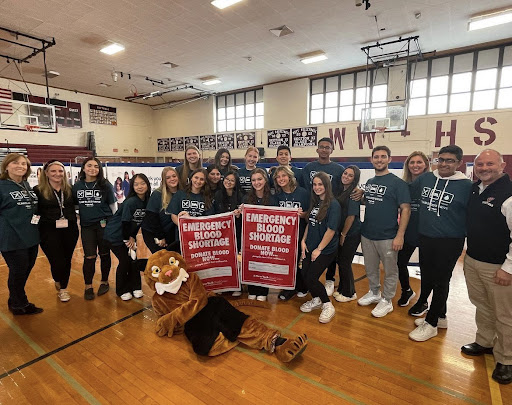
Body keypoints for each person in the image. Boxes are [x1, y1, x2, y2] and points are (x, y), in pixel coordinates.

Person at [408, 145, 471, 342]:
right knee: (427, 277)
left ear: (458, 163)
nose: (444, 164)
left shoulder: (467, 186)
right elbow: (405, 192)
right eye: (441, 159)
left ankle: (432, 323)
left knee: (441, 281)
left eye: (449, 160)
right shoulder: (426, 179)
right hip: (426, 237)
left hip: (450, 241)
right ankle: (441, 316)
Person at [461, 149, 512, 384]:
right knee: (482, 305)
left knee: (505, 315)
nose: (484, 168)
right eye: (479, 164)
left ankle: (507, 359)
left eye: (490, 164)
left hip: (499, 266)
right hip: (473, 259)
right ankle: (485, 341)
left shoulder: (508, 194)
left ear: (502, 166)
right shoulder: (475, 188)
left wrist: (508, 267)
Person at [358, 146, 411, 318]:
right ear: (371, 159)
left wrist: (400, 235)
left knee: (390, 270)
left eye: (383, 157)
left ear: (389, 159)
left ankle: (387, 300)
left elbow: (406, 209)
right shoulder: (371, 182)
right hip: (367, 234)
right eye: (376, 157)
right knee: (370, 267)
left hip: (388, 236)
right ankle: (374, 293)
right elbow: (371, 202)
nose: (379, 160)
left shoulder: (398, 183)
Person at [0, 153, 42, 315]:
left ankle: (14, 299)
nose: (20, 166)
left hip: (30, 235)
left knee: (25, 270)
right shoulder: (2, 185)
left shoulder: (26, 185)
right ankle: (19, 303)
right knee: (18, 271)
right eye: (16, 163)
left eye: (24, 164)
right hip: (11, 237)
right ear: (7, 166)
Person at [34, 160, 79, 302]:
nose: (57, 174)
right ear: (46, 173)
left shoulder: (70, 189)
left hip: (70, 229)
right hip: (48, 231)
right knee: (57, 261)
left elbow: (78, 207)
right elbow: (34, 212)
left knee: (67, 260)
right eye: (53, 171)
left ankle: (64, 289)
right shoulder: (38, 190)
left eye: (60, 171)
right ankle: (57, 278)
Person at [73, 157, 116, 300]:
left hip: (104, 224)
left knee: (104, 254)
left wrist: (115, 224)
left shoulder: (105, 185)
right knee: (89, 256)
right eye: (89, 166)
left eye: (96, 166)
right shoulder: (77, 186)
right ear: (83, 168)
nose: (93, 169)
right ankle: (88, 286)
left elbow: (113, 207)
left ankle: (104, 281)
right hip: (87, 226)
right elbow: (75, 206)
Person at [299, 172, 340, 323]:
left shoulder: (333, 205)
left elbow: (331, 230)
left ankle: (328, 305)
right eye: (315, 184)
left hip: (325, 249)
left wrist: (319, 249)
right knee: (304, 274)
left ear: (326, 185)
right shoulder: (316, 202)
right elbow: (310, 223)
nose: (317, 187)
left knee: (311, 277)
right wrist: (303, 241)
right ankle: (316, 299)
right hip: (310, 246)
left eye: (320, 184)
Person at [104, 174, 150, 301]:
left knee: (134, 261)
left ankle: (136, 287)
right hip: (115, 236)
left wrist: (132, 237)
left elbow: (137, 222)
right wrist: (127, 239)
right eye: (136, 184)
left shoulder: (147, 201)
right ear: (132, 187)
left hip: (129, 236)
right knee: (125, 261)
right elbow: (125, 222)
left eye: (142, 183)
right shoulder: (130, 202)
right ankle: (122, 289)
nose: (140, 186)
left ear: (147, 184)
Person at [397, 151, 430, 309]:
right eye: (412, 162)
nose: (415, 165)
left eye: (419, 162)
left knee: (426, 269)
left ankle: (423, 300)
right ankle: (406, 290)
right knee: (400, 262)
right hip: (408, 231)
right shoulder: (403, 186)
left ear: (426, 165)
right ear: (407, 165)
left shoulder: (431, 184)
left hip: (427, 233)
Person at [273, 166, 309, 301]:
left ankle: (301, 286)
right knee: (288, 262)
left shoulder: (303, 193)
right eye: (278, 177)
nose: (281, 179)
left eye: (284, 175)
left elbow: (310, 214)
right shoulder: (277, 196)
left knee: (298, 261)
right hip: (284, 235)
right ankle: (292, 287)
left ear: (290, 177)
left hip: (300, 233)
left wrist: (303, 214)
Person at [243, 168, 278, 301]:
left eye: (259, 179)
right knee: (252, 264)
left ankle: (263, 290)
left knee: (264, 265)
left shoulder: (273, 199)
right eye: (253, 180)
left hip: (266, 240)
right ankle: (252, 289)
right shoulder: (246, 198)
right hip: (251, 239)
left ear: (265, 180)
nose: (256, 182)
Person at [331, 165, 362, 303]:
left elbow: (351, 217)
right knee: (341, 261)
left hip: (351, 233)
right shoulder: (339, 190)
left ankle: (350, 293)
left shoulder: (354, 193)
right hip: (341, 232)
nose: (346, 177)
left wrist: (343, 235)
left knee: (345, 262)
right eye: (345, 173)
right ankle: (343, 289)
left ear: (355, 179)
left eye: (350, 176)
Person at [169, 168, 215, 250]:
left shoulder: (207, 198)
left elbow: (208, 220)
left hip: (199, 239)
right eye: (196, 177)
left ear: (205, 182)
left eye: (202, 179)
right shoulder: (180, 194)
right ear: (191, 178)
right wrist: (185, 227)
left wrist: (194, 226)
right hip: (182, 237)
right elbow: (174, 215)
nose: (198, 181)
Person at [214, 170, 244, 297]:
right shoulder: (217, 195)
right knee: (222, 258)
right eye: (227, 179)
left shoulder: (242, 196)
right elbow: (213, 214)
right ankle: (222, 284)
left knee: (236, 259)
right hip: (220, 233)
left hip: (236, 232)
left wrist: (240, 214)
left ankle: (237, 285)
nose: (229, 182)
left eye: (232, 180)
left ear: (236, 183)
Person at [142, 167, 179, 253]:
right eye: (168, 178)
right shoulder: (157, 194)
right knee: (161, 259)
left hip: (168, 232)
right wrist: (160, 237)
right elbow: (152, 218)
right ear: (164, 180)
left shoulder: (181, 193)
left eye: (174, 176)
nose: (172, 179)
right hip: (153, 232)